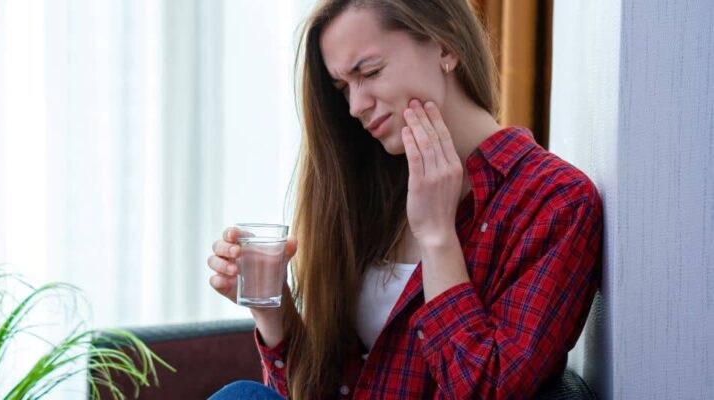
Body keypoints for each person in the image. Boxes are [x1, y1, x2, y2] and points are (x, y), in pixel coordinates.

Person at [206, 0, 603, 398]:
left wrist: (437, 237)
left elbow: (489, 389)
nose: (355, 106)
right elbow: (318, 390)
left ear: (445, 46)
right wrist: (272, 308)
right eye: (343, 88)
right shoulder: (374, 187)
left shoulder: (555, 202)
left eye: (371, 72)